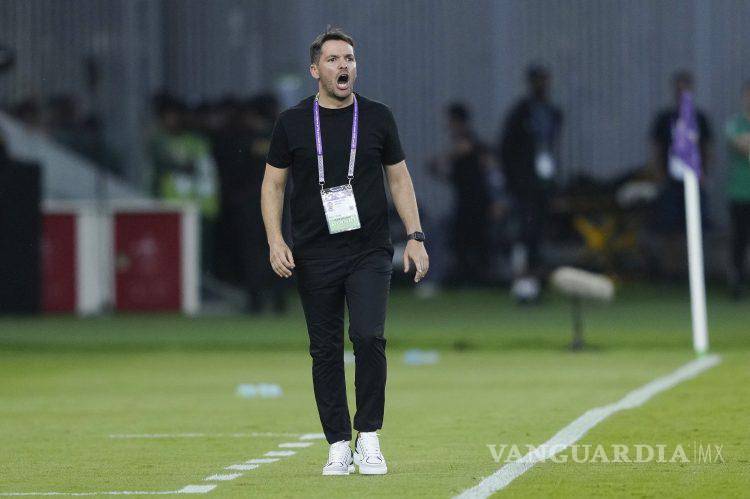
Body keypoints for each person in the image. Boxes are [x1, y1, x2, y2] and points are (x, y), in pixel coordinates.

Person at [261, 28, 428, 476]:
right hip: (314, 252)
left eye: (349, 59)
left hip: (369, 249)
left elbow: (399, 178)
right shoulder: (292, 122)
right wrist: (276, 240)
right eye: (333, 59)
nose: (343, 66)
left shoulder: (377, 117)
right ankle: (337, 443)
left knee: (369, 336)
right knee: (325, 349)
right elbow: (273, 184)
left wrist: (415, 236)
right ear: (315, 70)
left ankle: (368, 435)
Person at [498, 65, 563, 300]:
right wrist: (513, 181)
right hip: (523, 184)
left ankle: (535, 279)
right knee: (525, 230)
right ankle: (521, 280)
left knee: (538, 232)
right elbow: (507, 148)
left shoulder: (552, 113)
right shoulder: (521, 113)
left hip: (543, 183)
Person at [648, 70, 713, 278]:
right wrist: (659, 174)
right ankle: (671, 271)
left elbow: (707, 147)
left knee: (696, 225)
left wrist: (703, 173)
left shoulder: (699, 118)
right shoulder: (665, 118)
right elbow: (656, 147)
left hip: (693, 179)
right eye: (679, 89)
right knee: (669, 227)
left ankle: (694, 270)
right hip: (671, 179)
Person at [724, 81, 750, 299]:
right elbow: (741, 145)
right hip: (740, 192)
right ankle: (737, 283)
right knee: (739, 240)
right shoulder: (735, 123)